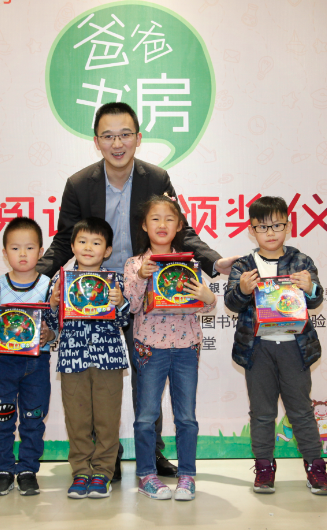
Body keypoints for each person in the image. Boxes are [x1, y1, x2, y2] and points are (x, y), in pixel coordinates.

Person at [37, 102, 238, 479]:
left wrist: (214, 261)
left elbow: (180, 230)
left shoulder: (156, 178)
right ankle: (105, 459)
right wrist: (35, 277)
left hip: (145, 293)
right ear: (96, 141)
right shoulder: (79, 184)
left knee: (149, 377)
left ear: (138, 138)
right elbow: (65, 241)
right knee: (98, 381)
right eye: (108, 136)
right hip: (93, 297)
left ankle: (153, 453)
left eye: (125, 134)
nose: (117, 143)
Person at [224, 196, 327, 496]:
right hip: (257, 348)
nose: (270, 232)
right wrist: (242, 289)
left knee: (301, 411)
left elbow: (317, 299)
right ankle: (264, 467)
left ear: (289, 226)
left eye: (277, 225)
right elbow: (231, 303)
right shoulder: (244, 265)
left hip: (294, 348)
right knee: (261, 413)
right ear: (251, 230)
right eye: (262, 227)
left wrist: (309, 287)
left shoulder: (301, 261)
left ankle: (316, 467)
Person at [123, 194, 216, 501]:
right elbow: (130, 306)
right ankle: (146, 475)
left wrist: (209, 297)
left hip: (187, 347)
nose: (162, 224)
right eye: (155, 218)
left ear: (179, 226)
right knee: (146, 416)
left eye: (169, 219)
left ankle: (187, 476)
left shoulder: (189, 263)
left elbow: (204, 305)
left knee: (186, 417)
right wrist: (141, 276)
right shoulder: (135, 264)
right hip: (150, 348)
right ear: (144, 225)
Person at [42, 217, 130, 499]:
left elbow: (125, 321)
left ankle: (103, 473)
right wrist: (52, 304)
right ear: (72, 246)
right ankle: (80, 472)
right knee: (77, 420)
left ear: (107, 250)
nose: (88, 247)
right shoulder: (60, 281)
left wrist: (120, 303)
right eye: (82, 241)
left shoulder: (115, 281)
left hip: (109, 359)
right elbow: (51, 327)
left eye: (96, 242)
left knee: (107, 420)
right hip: (72, 359)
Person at [0, 217, 56, 497]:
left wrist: (50, 334)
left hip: (36, 364)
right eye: (15, 248)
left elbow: (55, 325)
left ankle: (27, 470)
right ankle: (2, 470)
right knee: (2, 418)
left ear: (41, 251)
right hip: (1, 364)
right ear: (4, 253)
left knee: (33, 418)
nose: (22, 254)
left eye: (29, 248)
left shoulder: (49, 286)